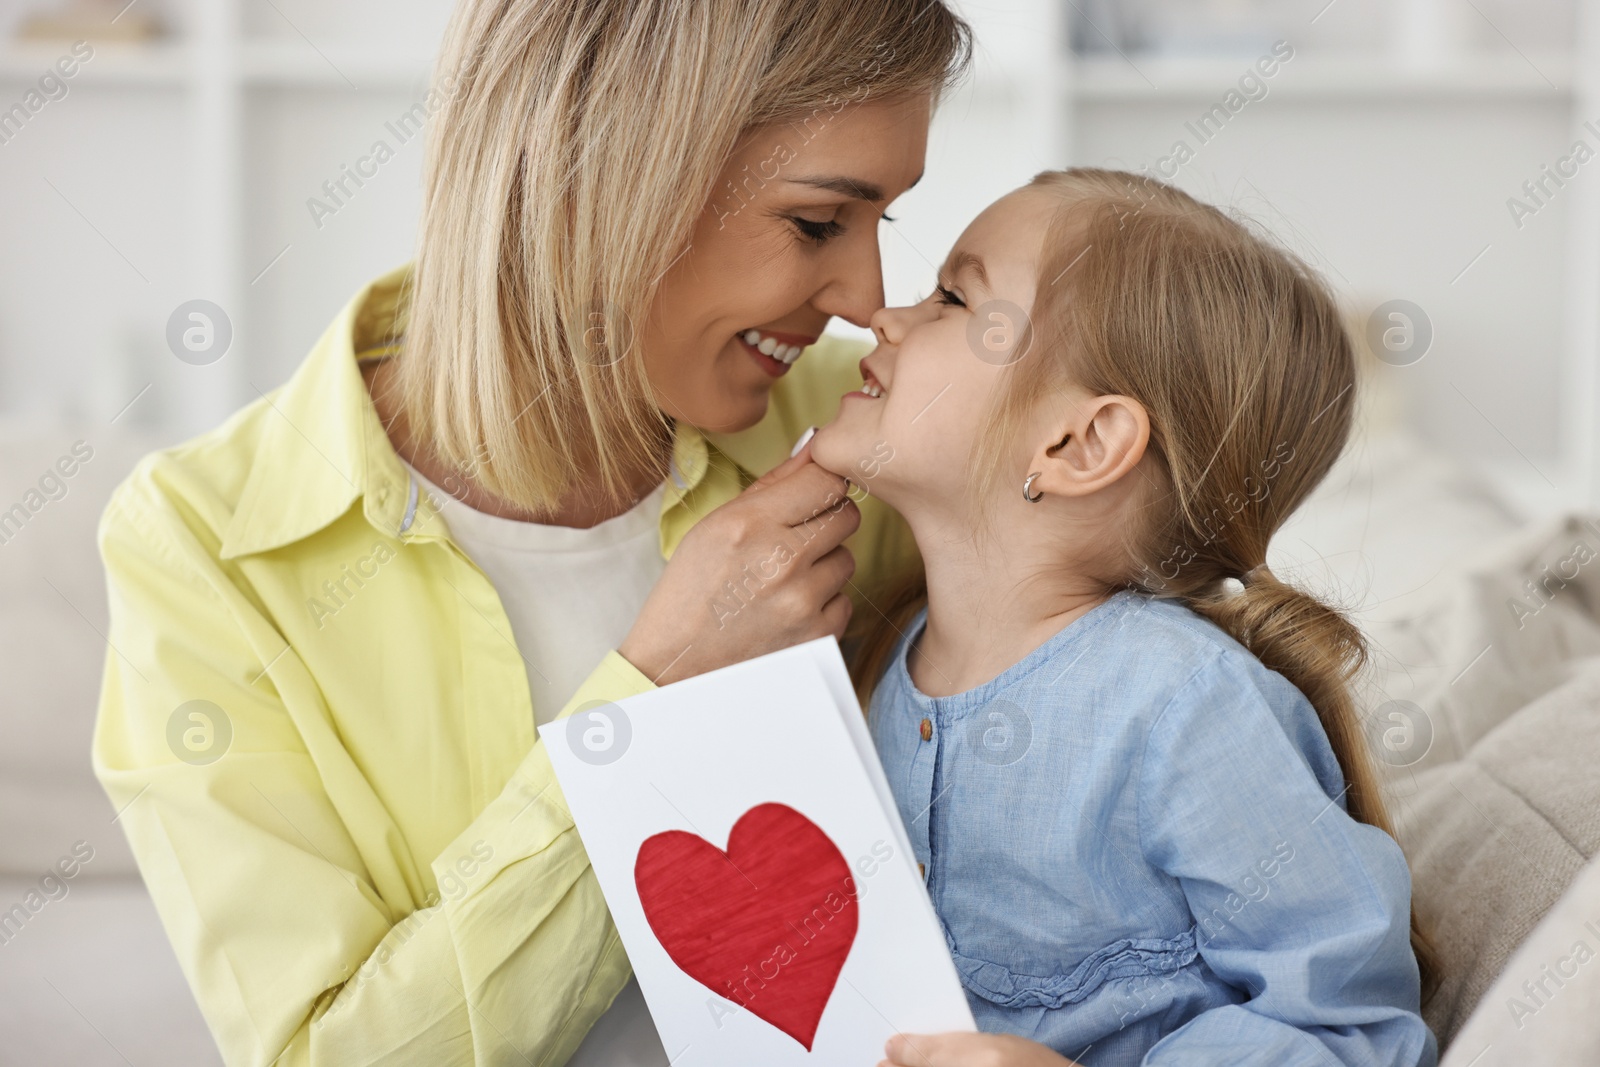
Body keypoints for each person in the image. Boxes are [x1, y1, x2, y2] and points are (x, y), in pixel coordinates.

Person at [90, 2, 970, 1063]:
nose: (865, 298)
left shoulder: (868, 434)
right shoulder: (200, 545)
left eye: (886, 222)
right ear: (595, 175)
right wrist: (652, 696)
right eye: (818, 223)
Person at [809, 168, 1441, 1067]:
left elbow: (1351, 1030)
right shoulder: (880, 658)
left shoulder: (1184, 707)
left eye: (953, 296)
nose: (885, 317)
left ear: (1080, 443)